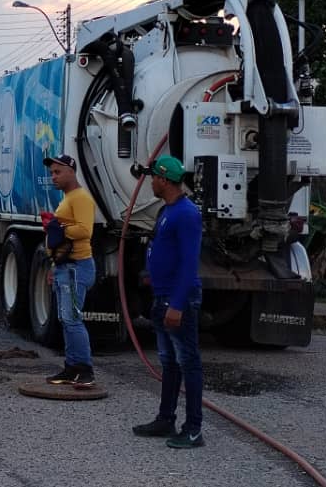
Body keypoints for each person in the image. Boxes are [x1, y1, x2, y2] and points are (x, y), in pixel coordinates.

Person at [133, 155, 205, 449]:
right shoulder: (169, 210)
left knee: (188, 362)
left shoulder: (186, 214)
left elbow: (189, 263)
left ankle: (193, 429)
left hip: (178, 300)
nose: (151, 181)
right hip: (162, 296)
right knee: (169, 362)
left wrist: (176, 305)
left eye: (154, 177)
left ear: (164, 180)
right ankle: (166, 418)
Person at [41, 153, 97, 387]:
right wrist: (54, 266)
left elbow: (85, 230)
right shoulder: (69, 198)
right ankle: (72, 367)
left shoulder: (80, 198)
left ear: (71, 172)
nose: (53, 177)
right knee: (66, 319)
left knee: (72, 319)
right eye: (52, 173)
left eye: (58, 172)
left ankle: (85, 370)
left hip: (76, 267)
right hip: (66, 266)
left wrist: (58, 228)